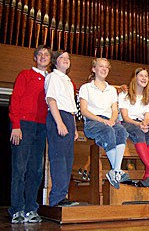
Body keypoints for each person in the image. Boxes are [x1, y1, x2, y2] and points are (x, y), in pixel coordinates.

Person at [8, 45, 51, 223]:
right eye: (39, 54)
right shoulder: (25, 75)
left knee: (36, 170)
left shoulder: (52, 79)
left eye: (46, 54)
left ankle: (30, 209)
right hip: (23, 126)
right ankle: (17, 209)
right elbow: (15, 99)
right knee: (20, 168)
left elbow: (70, 88)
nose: (43, 57)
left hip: (42, 128)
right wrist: (15, 125)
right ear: (35, 58)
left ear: (50, 59)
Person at [79, 58, 129, 190]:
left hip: (108, 120)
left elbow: (114, 110)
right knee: (108, 131)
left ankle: (115, 171)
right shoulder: (86, 88)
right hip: (93, 122)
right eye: (100, 66)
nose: (104, 69)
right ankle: (117, 171)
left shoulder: (112, 90)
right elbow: (84, 111)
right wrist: (103, 121)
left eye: (106, 67)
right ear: (94, 69)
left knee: (122, 131)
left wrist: (112, 120)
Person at [118, 68, 149, 187]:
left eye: (146, 76)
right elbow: (125, 117)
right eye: (141, 76)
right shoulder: (125, 93)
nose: (144, 78)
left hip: (142, 122)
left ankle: (148, 175)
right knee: (138, 133)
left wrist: (145, 123)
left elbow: (148, 116)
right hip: (127, 122)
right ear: (135, 77)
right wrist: (139, 125)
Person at [45, 50, 79, 207]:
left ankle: (62, 195)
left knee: (68, 159)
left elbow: (71, 106)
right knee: (59, 159)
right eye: (61, 58)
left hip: (68, 118)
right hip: (58, 116)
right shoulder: (53, 77)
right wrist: (59, 122)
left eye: (67, 58)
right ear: (55, 62)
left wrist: (75, 128)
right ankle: (57, 198)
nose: (66, 60)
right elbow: (51, 99)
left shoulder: (68, 81)